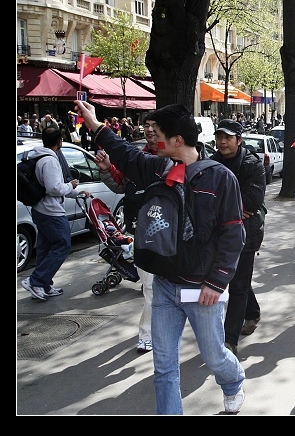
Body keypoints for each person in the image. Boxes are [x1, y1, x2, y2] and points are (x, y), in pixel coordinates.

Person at [74, 99, 246, 415]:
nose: (153, 138)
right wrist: (95, 124)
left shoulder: (220, 178)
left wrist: (216, 282)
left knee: (213, 356)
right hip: (165, 287)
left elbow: (234, 235)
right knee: (164, 366)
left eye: (159, 133)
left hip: (202, 289)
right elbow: (125, 153)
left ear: (177, 140)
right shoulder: (158, 168)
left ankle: (233, 382)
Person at [93, 117, 159, 354]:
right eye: (147, 125)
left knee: (161, 288)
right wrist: (107, 169)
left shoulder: (174, 160)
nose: (150, 130)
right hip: (141, 236)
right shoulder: (136, 160)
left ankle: (158, 333)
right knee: (151, 287)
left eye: (155, 126)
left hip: (170, 237)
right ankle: (151, 332)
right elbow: (121, 185)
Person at [211, 119, 267, 355]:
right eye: (219, 137)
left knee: (238, 283)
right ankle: (252, 312)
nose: (222, 142)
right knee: (236, 279)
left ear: (239, 140)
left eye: (228, 137)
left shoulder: (252, 164)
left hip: (246, 231)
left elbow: (252, 202)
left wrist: (221, 207)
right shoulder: (211, 163)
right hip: (219, 232)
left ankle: (229, 339)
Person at [21, 126, 91, 301]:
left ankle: (43, 285)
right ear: (59, 142)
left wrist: (76, 192)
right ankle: (35, 280)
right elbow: (54, 188)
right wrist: (72, 185)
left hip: (40, 209)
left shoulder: (39, 156)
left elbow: (55, 187)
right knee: (62, 245)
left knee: (45, 247)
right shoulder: (50, 161)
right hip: (51, 211)